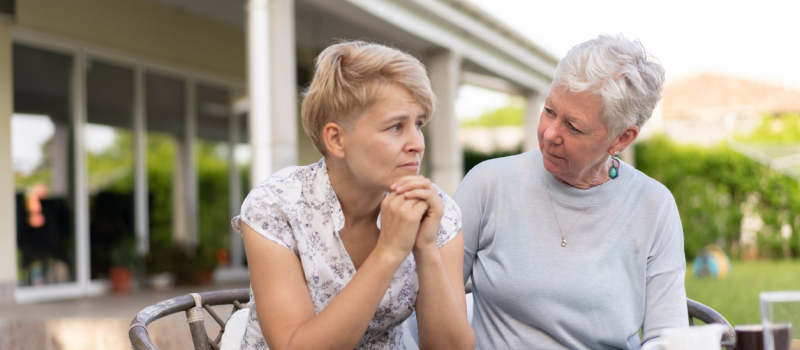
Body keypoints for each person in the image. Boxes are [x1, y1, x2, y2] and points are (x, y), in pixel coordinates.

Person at [231, 41, 474, 350]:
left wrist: (425, 248)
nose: (417, 143)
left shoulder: (436, 210)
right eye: (396, 127)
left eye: (419, 124)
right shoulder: (276, 205)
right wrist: (388, 251)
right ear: (336, 139)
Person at [455, 34, 688, 349]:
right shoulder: (488, 184)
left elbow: (668, 337)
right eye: (550, 110)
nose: (550, 134)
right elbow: (431, 297)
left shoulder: (653, 206)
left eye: (574, 127)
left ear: (621, 139)